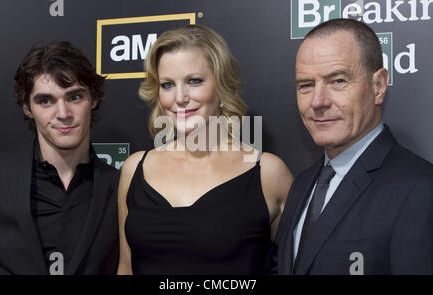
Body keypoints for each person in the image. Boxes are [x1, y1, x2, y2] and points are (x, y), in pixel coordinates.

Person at [117, 25, 293, 275]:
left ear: (221, 86)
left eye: (194, 81)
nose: (179, 97)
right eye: (167, 84)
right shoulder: (135, 169)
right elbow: (126, 269)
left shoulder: (268, 173)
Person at [275, 19, 433, 275]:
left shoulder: (420, 189)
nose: (318, 101)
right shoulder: (303, 184)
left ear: (379, 85)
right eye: (306, 85)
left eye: (338, 81)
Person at [0, 41, 119, 274]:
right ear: (27, 107)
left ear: (93, 99)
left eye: (74, 97)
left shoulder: (122, 187)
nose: (63, 114)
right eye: (46, 101)